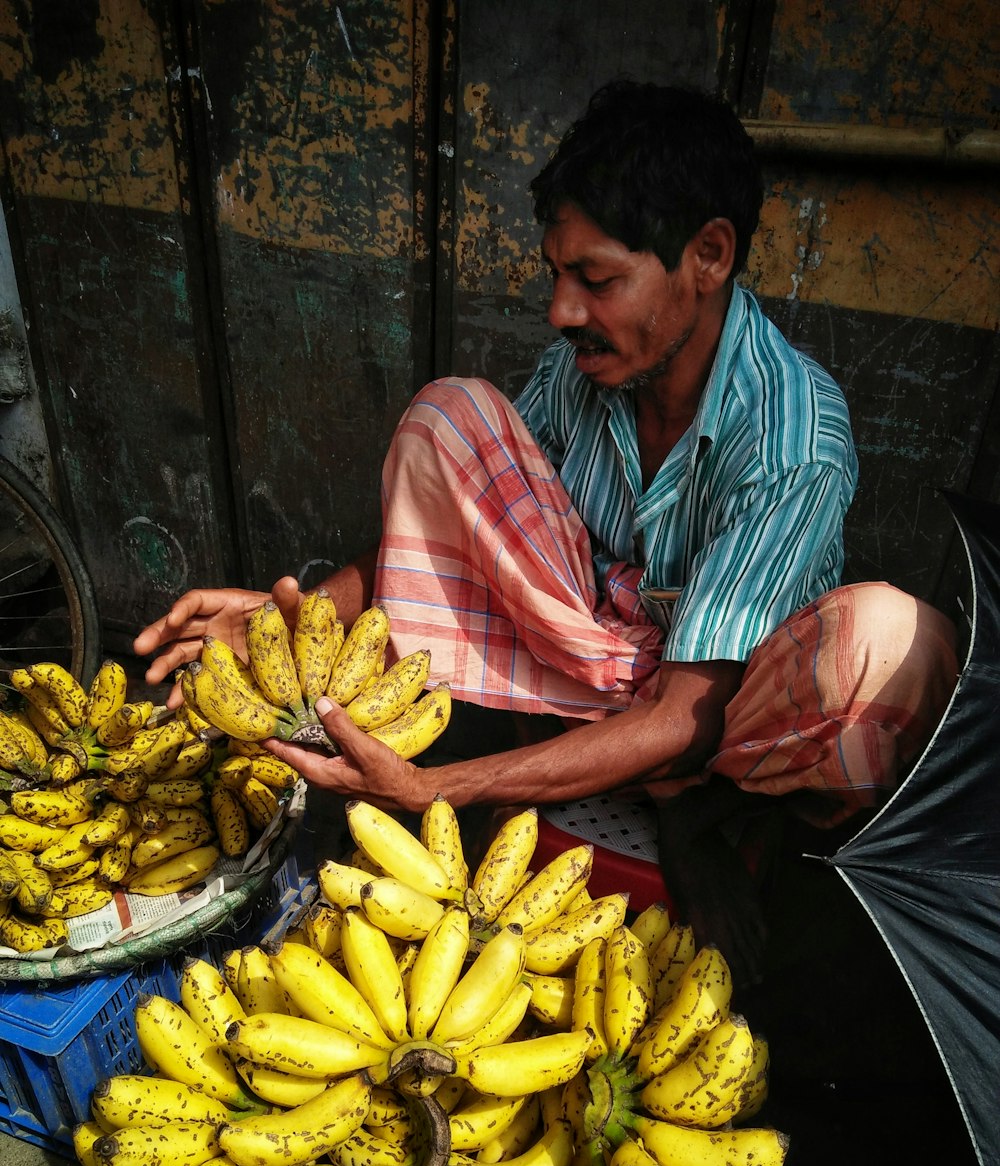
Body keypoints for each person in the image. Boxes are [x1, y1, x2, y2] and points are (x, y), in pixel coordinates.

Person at [134, 81, 957, 985]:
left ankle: (699, 814)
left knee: (884, 646)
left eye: (596, 280)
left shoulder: (793, 437)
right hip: (599, 658)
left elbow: (694, 710)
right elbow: (465, 517)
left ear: (709, 255)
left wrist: (436, 788)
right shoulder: (589, 369)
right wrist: (286, 623)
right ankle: (626, 775)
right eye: (557, 276)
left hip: (721, 709)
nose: (563, 311)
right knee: (451, 416)